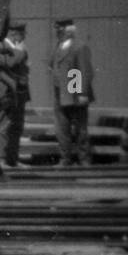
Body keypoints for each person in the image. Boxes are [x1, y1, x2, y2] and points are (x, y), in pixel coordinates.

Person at [49, 18, 94, 166]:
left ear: (69, 31)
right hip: (60, 93)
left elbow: (84, 71)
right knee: (62, 129)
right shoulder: (58, 47)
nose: (58, 33)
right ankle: (65, 158)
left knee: (80, 128)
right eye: (57, 30)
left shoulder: (79, 47)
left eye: (61, 30)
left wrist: (81, 94)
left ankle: (84, 158)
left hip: (73, 92)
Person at [0, 21, 30, 168]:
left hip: (20, 93)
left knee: (16, 126)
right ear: (14, 34)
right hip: (7, 93)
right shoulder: (2, 47)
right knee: (3, 126)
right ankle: (1, 159)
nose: (24, 38)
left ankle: (12, 159)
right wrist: (21, 52)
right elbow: (10, 63)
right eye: (22, 34)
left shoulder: (16, 47)